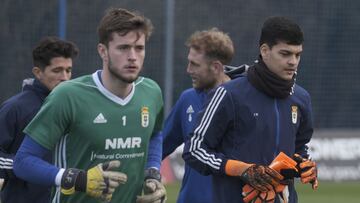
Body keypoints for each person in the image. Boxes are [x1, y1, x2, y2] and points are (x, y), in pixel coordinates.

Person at [13, 8, 166, 203]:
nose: (133, 57)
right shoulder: (67, 96)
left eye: (139, 48)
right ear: (103, 51)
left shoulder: (151, 92)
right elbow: (23, 162)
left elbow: (155, 134)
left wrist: (152, 172)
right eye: (123, 48)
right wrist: (78, 179)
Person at [183, 16, 318, 203]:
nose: (293, 62)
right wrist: (242, 170)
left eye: (297, 55)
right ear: (264, 51)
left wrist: (303, 163)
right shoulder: (228, 94)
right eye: (285, 54)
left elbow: (299, 147)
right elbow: (195, 150)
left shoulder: (301, 99)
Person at [161, 28, 247, 203]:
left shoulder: (246, 101)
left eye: (195, 64)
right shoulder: (187, 99)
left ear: (216, 67)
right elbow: (159, 146)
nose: (188, 70)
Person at [0, 36, 79, 203]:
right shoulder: (15, 108)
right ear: (38, 72)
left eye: (68, 70)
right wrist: (27, 166)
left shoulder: (76, 107)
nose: (65, 77)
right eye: (57, 71)